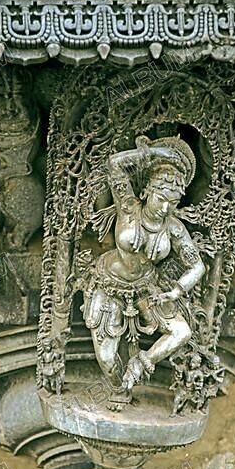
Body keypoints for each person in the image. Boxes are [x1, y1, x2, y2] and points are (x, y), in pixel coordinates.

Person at [81, 135, 205, 410]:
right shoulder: (127, 206)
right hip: (109, 283)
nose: (164, 208)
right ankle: (118, 390)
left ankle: (141, 364)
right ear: (148, 190)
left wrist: (178, 289)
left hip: (147, 288)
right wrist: (158, 153)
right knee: (107, 358)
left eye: (172, 203)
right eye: (161, 198)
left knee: (181, 332)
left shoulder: (172, 227)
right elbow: (114, 165)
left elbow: (197, 266)